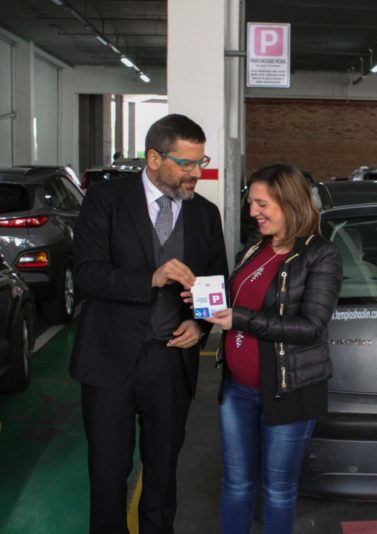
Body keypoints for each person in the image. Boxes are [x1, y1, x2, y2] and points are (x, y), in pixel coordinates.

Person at [69, 113, 228, 533]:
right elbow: (86, 273)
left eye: (201, 161)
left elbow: (216, 282)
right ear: (154, 157)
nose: (197, 172)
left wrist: (200, 327)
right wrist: (150, 278)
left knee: (161, 472)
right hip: (108, 361)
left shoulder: (205, 215)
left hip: (169, 362)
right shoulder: (105, 199)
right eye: (187, 163)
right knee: (107, 472)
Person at [203, 163, 342, 534]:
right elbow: (237, 300)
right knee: (235, 483)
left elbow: (311, 327)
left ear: (289, 202)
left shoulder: (320, 255)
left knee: (278, 491)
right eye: (251, 203)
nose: (253, 212)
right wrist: (204, 303)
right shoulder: (255, 247)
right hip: (237, 389)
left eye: (261, 204)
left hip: (289, 391)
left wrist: (241, 319)